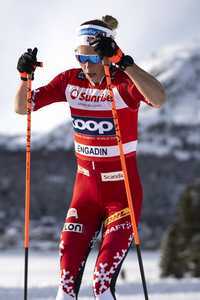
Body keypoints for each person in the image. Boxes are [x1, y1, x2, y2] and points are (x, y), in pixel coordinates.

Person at [15, 15, 165, 300]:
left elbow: (159, 98)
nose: (86, 65)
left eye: (94, 59)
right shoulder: (70, 81)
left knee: (101, 285)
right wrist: (25, 78)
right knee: (66, 284)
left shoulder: (123, 83)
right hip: (84, 193)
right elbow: (23, 108)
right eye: (80, 58)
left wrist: (125, 62)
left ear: (107, 56)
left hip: (122, 194)